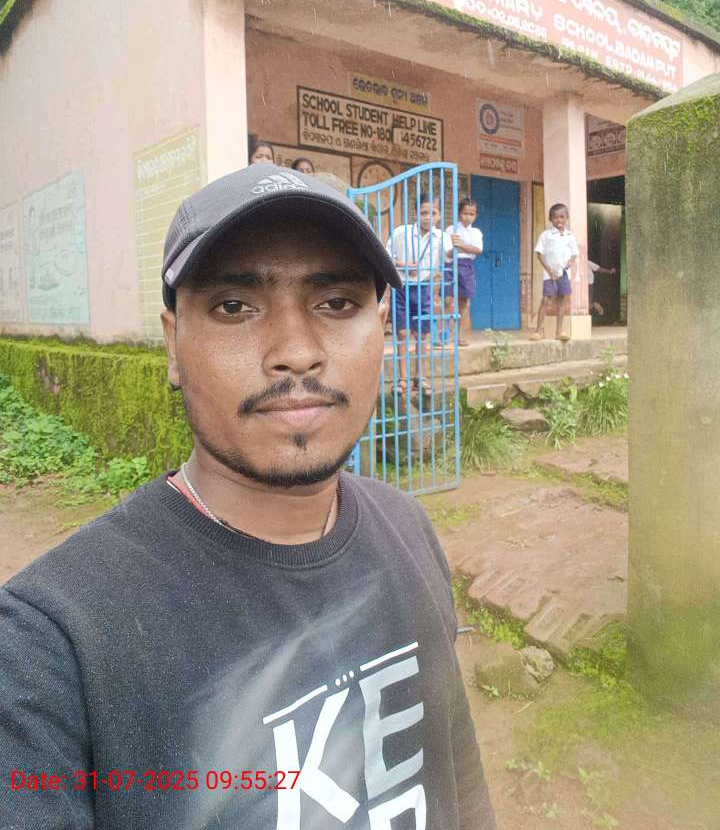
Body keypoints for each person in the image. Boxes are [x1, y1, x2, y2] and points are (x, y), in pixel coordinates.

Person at [0, 163, 496, 830]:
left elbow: (456, 776)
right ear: (174, 344)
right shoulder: (49, 648)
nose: (296, 352)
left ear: (382, 327)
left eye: (336, 303)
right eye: (235, 306)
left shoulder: (408, 527)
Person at [386, 196, 452, 395]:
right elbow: (386, 257)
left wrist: (458, 247)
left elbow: (449, 257)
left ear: (439, 215)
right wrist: (403, 265)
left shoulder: (442, 237)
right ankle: (403, 378)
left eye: (433, 213)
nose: (427, 217)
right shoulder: (401, 232)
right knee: (402, 334)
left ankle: (421, 377)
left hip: (424, 289)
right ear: (416, 213)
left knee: (422, 336)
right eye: (423, 212)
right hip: (402, 287)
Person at [531, 202, 579, 342]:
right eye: (555, 217)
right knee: (546, 300)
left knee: (562, 300)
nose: (559, 220)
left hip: (563, 274)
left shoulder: (570, 235)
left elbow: (574, 253)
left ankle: (559, 332)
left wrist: (570, 261)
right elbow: (539, 254)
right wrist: (549, 270)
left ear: (567, 217)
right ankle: (537, 332)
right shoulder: (546, 235)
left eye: (562, 217)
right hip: (549, 274)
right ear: (550, 219)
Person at [444, 197, 483, 347]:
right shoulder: (451, 229)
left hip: (466, 266)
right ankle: (445, 334)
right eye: (465, 213)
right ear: (459, 213)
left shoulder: (476, 232)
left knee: (464, 302)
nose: (468, 217)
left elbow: (478, 249)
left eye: (471, 214)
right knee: (447, 300)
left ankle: (459, 336)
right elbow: (447, 251)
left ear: (476, 216)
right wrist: (456, 248)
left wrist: (461, 245)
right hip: (451, 264)